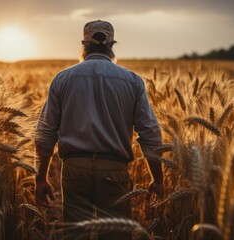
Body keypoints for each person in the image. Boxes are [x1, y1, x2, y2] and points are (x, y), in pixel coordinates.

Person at [35, 20, 164, 240]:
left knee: (76, 236)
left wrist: (41, 178)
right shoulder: (132, 81)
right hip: (114, 170)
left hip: (75, 169)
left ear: (84, 45)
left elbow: (45, 134)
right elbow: (150, 134)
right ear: (112, 46)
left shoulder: (63, 78)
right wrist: (158, 179)